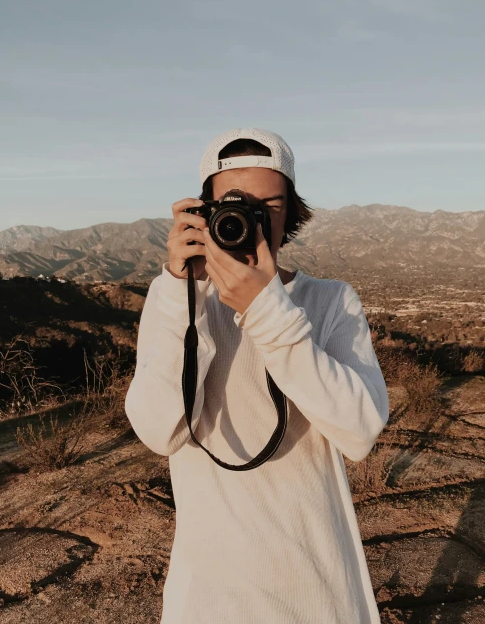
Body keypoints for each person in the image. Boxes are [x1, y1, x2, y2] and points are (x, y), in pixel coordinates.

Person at [125, 128, 389, 623]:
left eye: (271, 204)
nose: (254, 219)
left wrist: (267, 310)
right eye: (234, 204)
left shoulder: (330, 301)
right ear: (202, 212)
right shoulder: (176, 300)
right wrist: (181, 293)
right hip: (208, 592)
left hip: (315, 584)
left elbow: (361, 429)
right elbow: (161, 430)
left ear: (291, 211)